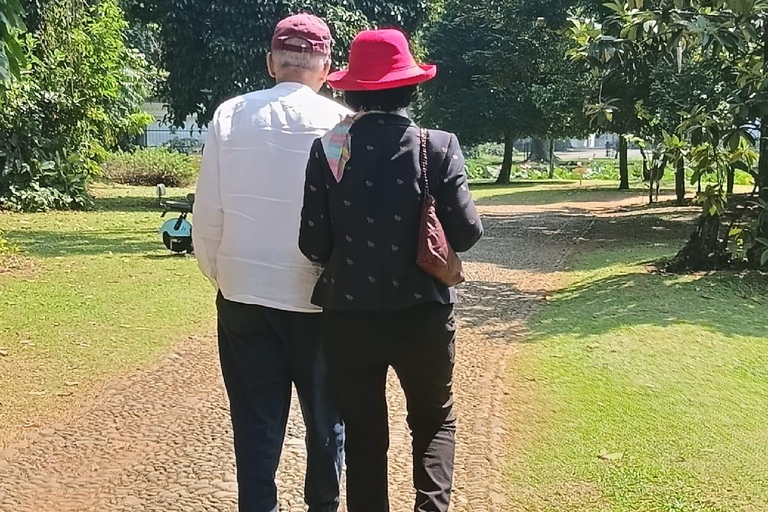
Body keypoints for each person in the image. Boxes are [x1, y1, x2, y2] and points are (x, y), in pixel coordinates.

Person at [299, 29, 483, 512]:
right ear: (410, 87)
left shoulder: (328, 150)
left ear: (350, 90)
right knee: (433, 421)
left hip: (349, 317)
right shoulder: (437, 146)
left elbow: (312, 243)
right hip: (422, 313)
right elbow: (465, 235)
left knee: (363, 433)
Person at [192, 13, 350, 512]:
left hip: (243, 293)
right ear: (326, 65)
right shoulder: (341, 124)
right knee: (327, 420)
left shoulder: (230, 115)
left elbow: (208, 212)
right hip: (318, 298)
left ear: (271, 62)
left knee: (255, 423)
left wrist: (223, 272)